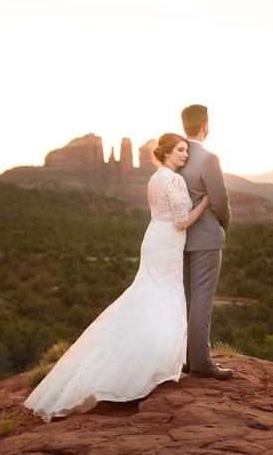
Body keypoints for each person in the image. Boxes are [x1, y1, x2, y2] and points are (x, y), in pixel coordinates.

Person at [24, 133, 211, 422]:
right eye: (181, 150)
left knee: (148, 297)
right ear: (166, 153)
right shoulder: (173, 180)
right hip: (168, 242)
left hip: (155, 240)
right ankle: (156, 366)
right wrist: (207, 202)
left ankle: (148, 360)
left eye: (186, 150)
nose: (186, 155)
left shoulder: (154, 178)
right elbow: (182, 221)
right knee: (165, 297)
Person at [178, 104, 234, 380]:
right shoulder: (208, 158)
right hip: (206, 238)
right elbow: (220, 199)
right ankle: (202, 363)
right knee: (202, 300)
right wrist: (224, 223)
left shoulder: (177, 157)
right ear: (205, 125)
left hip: (180, 238)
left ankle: (188, 360)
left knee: (187, 299)